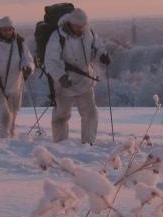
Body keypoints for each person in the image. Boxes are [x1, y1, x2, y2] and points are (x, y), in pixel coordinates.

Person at [44, 8, 112, 144]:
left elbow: (98, 48)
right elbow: (50, 62)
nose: (80, 29)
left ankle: (88, 143)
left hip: (84, 81)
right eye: (77, 26)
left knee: (91, 113)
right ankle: (60, 143)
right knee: (62, 116)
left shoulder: (89, 33)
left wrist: (103, 56)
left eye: (83, 26)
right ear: (70, 23)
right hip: (64, 83)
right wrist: (61, 76)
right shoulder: (57, 37)